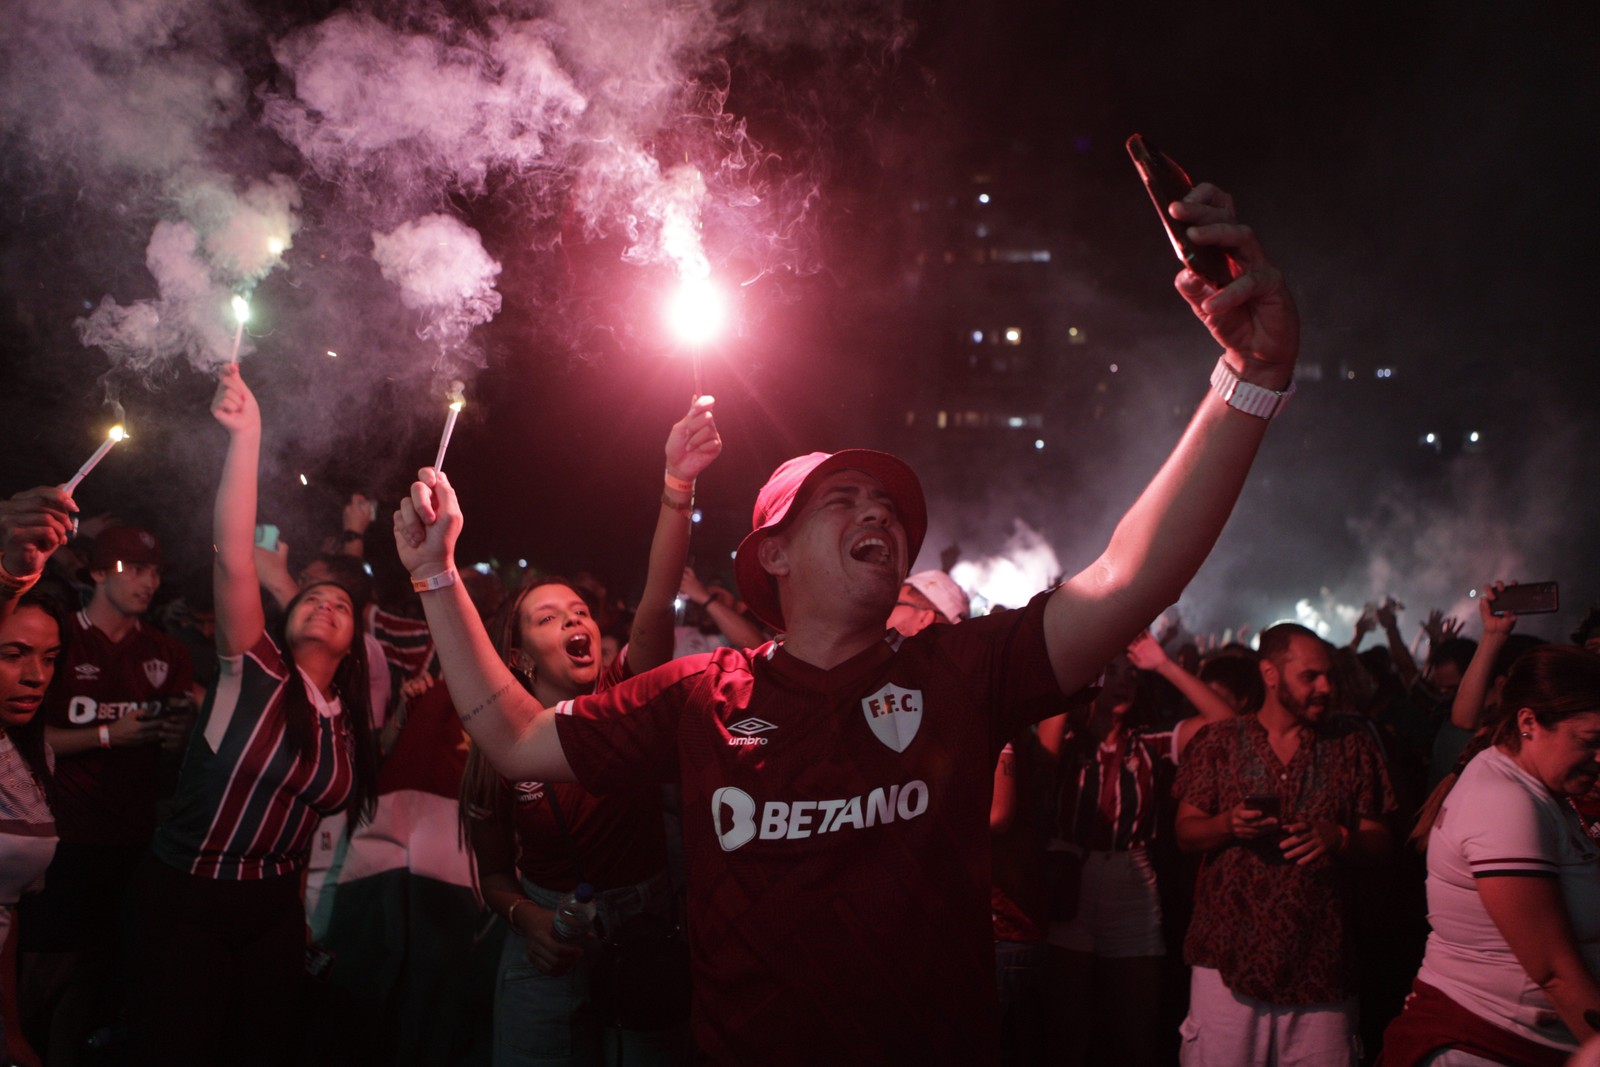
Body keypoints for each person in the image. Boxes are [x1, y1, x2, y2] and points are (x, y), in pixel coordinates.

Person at [396, 181, 1299, 1064]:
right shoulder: (702, 698)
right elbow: (514, 739)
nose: (879, 513)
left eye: (889, 505)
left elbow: (1129, 578)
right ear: (773, 558)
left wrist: (1247, 381)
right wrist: (436, 575)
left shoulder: (957, 672)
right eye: (842, 499)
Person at [126, 364, 378, 1066]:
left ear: (355, 639)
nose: (327, 603)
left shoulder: (346, 724)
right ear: (285, 614)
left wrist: (296, 916)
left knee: (264, 1048)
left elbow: (301, 832)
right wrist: (248, 436)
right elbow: (235, 558)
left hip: (273, 912)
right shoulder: (256, 668)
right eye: (312, 597)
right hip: (190, 898)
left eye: (342, 605)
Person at [465, 397, 720, 1067]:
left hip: (644, 929)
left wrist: (677, 485)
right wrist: (530, 921)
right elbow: (493, 873)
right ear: (520, 650)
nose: (573, 619)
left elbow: (659, 597)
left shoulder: (626, 693)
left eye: (578, 610)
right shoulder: (497, 743)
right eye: (547, 617)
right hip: (547, 938)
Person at [1174, 622, 1396, 1067]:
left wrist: (1340, 837)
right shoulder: (1220, 741)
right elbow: (1185, 832)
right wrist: (1228, 823)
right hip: (1227, 963)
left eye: (1329, 675)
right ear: (1270, 674)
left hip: (1322, 968)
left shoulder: (1351, 744)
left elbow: (1382, 839)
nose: (1325, 687)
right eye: (1310, 676)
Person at [20, 525, 195, 1066]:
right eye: (132, 568)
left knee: (98, 971)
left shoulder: (166, 652)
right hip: (62, 839)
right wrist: (104, 736)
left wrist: (179, 738)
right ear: (97, 572)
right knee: (44, 967)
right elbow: (24, 738)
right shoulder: (58, 638)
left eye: (154, 571)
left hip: (133, 839)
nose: (147, 581)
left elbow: (178, 751)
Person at [1380, 644, 1600, 1065]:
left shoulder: (1547, 792)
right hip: (1487, 1045)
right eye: (1591, 741)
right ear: (1529, 722)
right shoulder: (1503, 802)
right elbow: (1552, 969)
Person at [1039, 634, 1239, 1067]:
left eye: (1129, 673)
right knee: (1064, 1027)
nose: (1122, 682)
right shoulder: (1066, 739)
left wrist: (1165, 664)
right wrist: (1072, 673)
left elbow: (1229, 727)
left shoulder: (1150, 741)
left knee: (1135, 1029)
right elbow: (1042, 762)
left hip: (1132, 879)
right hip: (1070, 875)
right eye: (1109, 672)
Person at [0, 585, 67, 1067]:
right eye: (13, 655)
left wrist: (11, 1030)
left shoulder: (34, 756)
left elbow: (7, 912)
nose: (35, 677)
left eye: (50, 658)